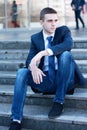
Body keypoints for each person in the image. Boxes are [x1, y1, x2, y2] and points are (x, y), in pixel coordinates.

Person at [9, 7, 86, 130]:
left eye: (55, 20)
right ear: (41, 22)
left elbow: (68, 44)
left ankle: (59, 102)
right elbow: (29, 60)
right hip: (45, 80)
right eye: (50, 21)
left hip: (64, 79)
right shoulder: (36, 38)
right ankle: (16, 120)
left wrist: (44, 52)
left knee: (66, 55)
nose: (54, 24)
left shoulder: (63, 31)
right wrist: (33, 67)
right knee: (21, 72)